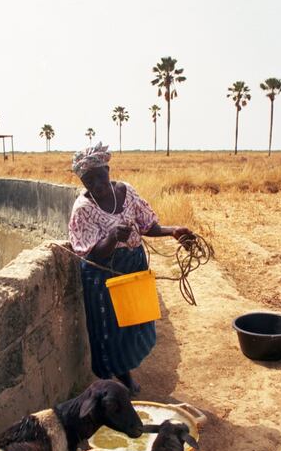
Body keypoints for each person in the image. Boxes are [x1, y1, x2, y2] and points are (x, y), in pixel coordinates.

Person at [68, 142, 195, 395]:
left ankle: (127, 368)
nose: (96, 184)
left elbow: (148, 226)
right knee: (112, 329)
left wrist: (173, 232)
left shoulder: (126, 191)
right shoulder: (83, 210)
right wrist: (112, 237)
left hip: (134, 265)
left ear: (107, 168)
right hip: (104, 275)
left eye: (99, 176)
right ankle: (124, 378)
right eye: (88, 181)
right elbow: (91, 254)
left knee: (138, 320)